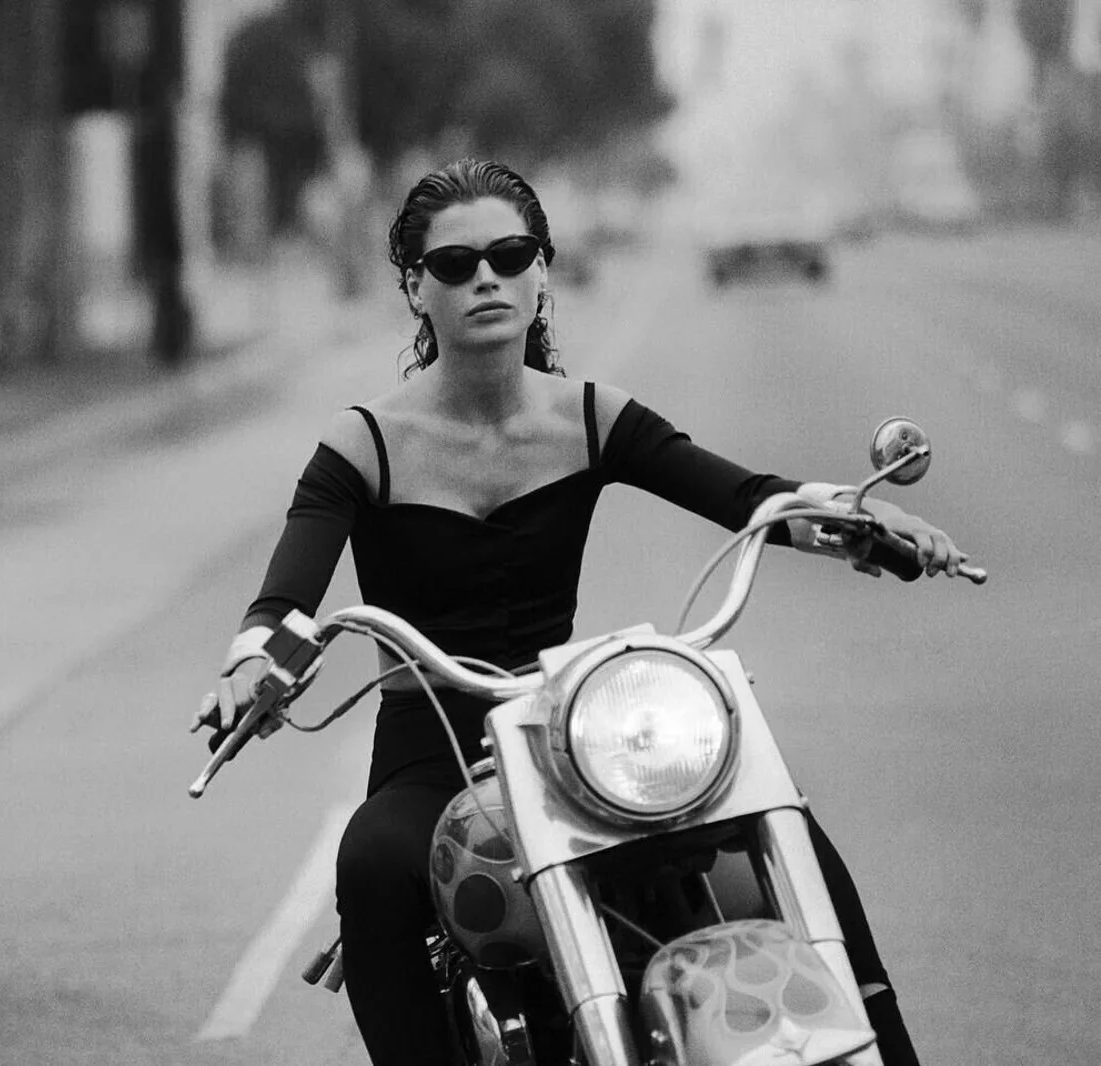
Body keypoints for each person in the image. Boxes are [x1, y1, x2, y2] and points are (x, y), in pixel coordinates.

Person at [196, 159, 969, 1066]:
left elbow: (747, 497)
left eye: (509, 253)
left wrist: (861, 519)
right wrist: (253, 660)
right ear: (415, 288)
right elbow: (284, 597)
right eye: (453, 264)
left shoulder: (589, 417)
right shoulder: (364, 443)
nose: (484, 277)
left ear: (541, 271)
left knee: (780, 818)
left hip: (569, 736)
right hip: (431, 753)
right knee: (370, 863)